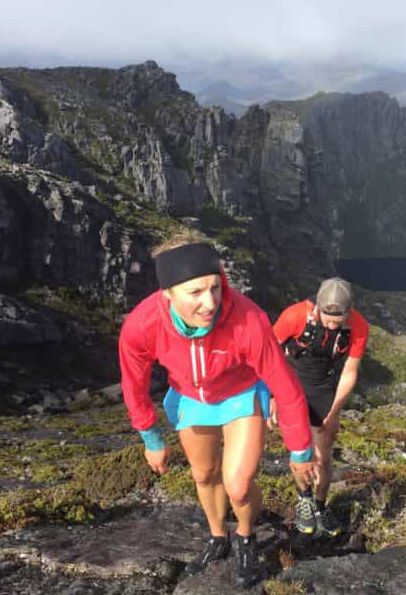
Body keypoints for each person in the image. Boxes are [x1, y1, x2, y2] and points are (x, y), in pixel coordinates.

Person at [118, 230, 316, 588]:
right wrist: (150, 436)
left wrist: (300, 449)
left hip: (241, 395)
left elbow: (285, 385)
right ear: (167, 294)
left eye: (215, 287)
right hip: (191, 399)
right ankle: (217, 537)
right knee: (204, 476)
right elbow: (133, 383)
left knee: (238, 486)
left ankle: (244, 538)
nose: (210, 302)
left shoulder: (247, 318)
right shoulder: (142, 325)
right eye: (194, 292)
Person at [271, 277, 369, 537]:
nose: (334, 325)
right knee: (301, 453)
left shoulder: (358, 326)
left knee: (323, 458)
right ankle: (304, 499)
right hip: (290, 385)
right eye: (328, 320)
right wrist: (272, 394)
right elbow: (269, 354)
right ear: (318, 308)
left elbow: (349, 370)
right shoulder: (294, 317)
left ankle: (320, 505)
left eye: (340, 321)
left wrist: (335, 413)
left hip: (322, 389)